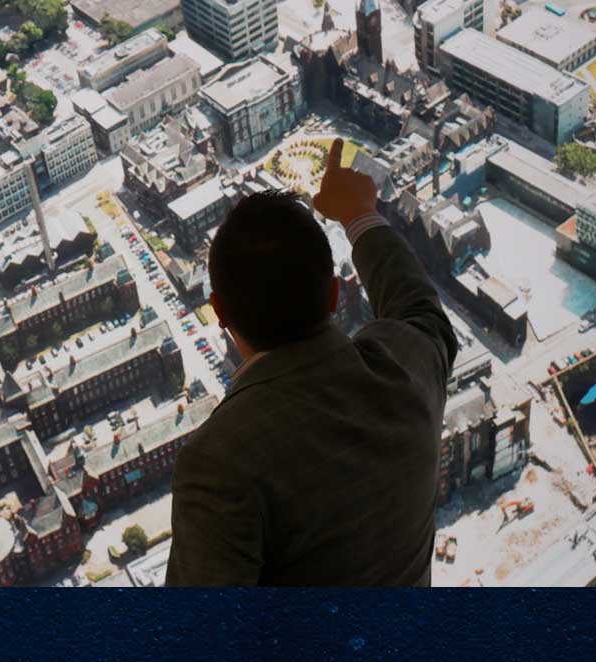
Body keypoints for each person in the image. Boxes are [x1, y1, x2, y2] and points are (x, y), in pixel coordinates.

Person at [166, 139, 458, 586]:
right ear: (335, 294)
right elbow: (421, 309)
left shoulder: (218, 464)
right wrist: (359, 214)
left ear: (220, 313)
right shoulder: (405, 370)